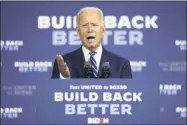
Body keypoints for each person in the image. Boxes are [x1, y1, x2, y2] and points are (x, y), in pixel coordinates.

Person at [51, 7, 132, 79]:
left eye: (94, 24)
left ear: (103, 30)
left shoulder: (121, 64)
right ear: (78, 32)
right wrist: (64, 78)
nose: (90, 29)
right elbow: (53, 92)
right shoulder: (64, 63)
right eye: (85, 25)